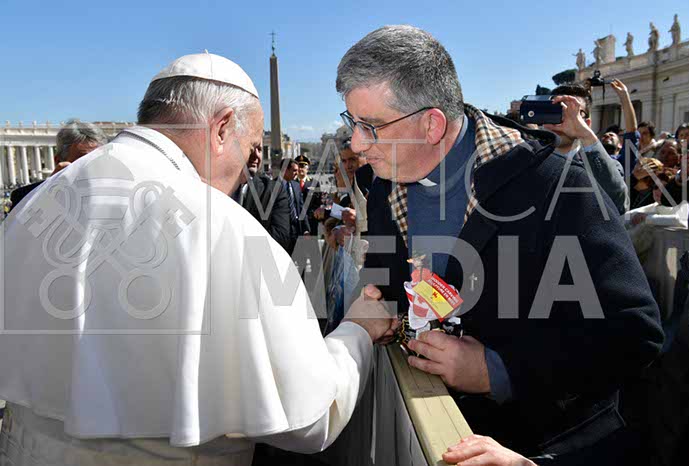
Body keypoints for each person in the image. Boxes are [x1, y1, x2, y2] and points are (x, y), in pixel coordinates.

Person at [0, 52, 399, 466]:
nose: (246, 173)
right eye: (250, 149)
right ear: (222, 128)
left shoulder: (38, 201)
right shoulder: (220, 225)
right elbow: (309, 418)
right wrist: (358, 329)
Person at [337, 25, 663, 464]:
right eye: (352, 123)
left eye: (371, 126)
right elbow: (386, 279)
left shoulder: (559, 188)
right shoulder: (382, 189)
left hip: (537, 442)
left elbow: (634, 333)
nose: (357, 144)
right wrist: (378, 306)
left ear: (431, 124)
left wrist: (498, 371)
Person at [548, 84, 628, 214]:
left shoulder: (605, 166)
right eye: (556, 111)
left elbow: (617, 205)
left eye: (573, 113)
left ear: (587, 124)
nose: (562, 120)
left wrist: (586, 135)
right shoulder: (527, 158)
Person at [9, 118, 107, 211]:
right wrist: (48, 191)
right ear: (59, 161)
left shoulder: (113, 193)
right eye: (83, 161)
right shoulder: (24, 198)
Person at [232, 136, 290, 249]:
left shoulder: (274, 191)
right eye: (250, 148)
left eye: (259, 149)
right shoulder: (213, 187)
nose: (256, 155)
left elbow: (281, 237)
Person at [276, 158, 310, 253]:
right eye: (294, 170)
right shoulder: (273, 186)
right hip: (281, 233)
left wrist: (306, 229)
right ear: (285, 170)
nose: (297, 173)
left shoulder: (296, 186)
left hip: (297, 232)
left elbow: (301, 208)